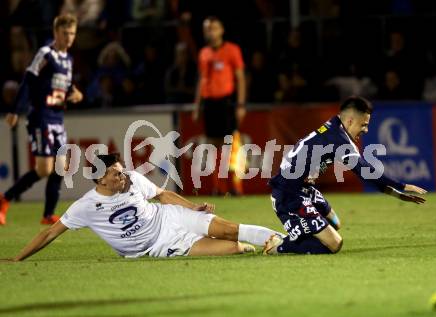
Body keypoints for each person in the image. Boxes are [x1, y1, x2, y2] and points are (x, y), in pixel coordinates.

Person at [4, 153, 283, 261]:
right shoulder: (85, 206)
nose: (122, 176)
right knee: (232, 249)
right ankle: (252, 244)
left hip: (171, 217)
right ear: (101, 178)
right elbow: (49, 233)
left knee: (229, 230)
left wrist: (193, 206)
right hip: (156, 246)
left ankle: (282, 240)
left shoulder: (134, 179)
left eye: (122, 171)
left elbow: (162, 195)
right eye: (115, 174)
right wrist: (18, 259)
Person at [264, 96, 426, 255]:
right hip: (289, 194)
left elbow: (366, 175)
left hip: (305, 188)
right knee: (334, 244)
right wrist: (402, 186)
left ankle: (300, 235)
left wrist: (398, 195)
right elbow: (367, 172)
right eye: (363, 125)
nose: (366, 130)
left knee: (334, 223)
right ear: (349, 121)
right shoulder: (339, 140)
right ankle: (280, 245)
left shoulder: (334, 126)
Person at [0, 13, 83, 225]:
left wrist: (75, 93)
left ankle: (47, 215)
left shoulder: (68, 59)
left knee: (61, 167)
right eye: (65, 33)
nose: (69, 38)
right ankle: (5, 199)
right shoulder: (46, 54)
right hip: (41, 117)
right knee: (44, 169)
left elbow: (65, 84)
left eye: (72, 33)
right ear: (56, 33)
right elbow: (28, 80)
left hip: (57, 117)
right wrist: (15, 110)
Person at [192, 16, 246, 196]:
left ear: (221, 30)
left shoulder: (232, 50)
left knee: (231, 144)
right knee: (213, 145)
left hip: (227, 102)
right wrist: (197, 105)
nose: (211, 32)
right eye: (207, 29)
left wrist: (240, 104)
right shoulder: (203, 53)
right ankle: (219, 188)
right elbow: (202, 80)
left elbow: (240, 78)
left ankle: (235, 187)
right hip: (209, 103)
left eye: (214, 28)